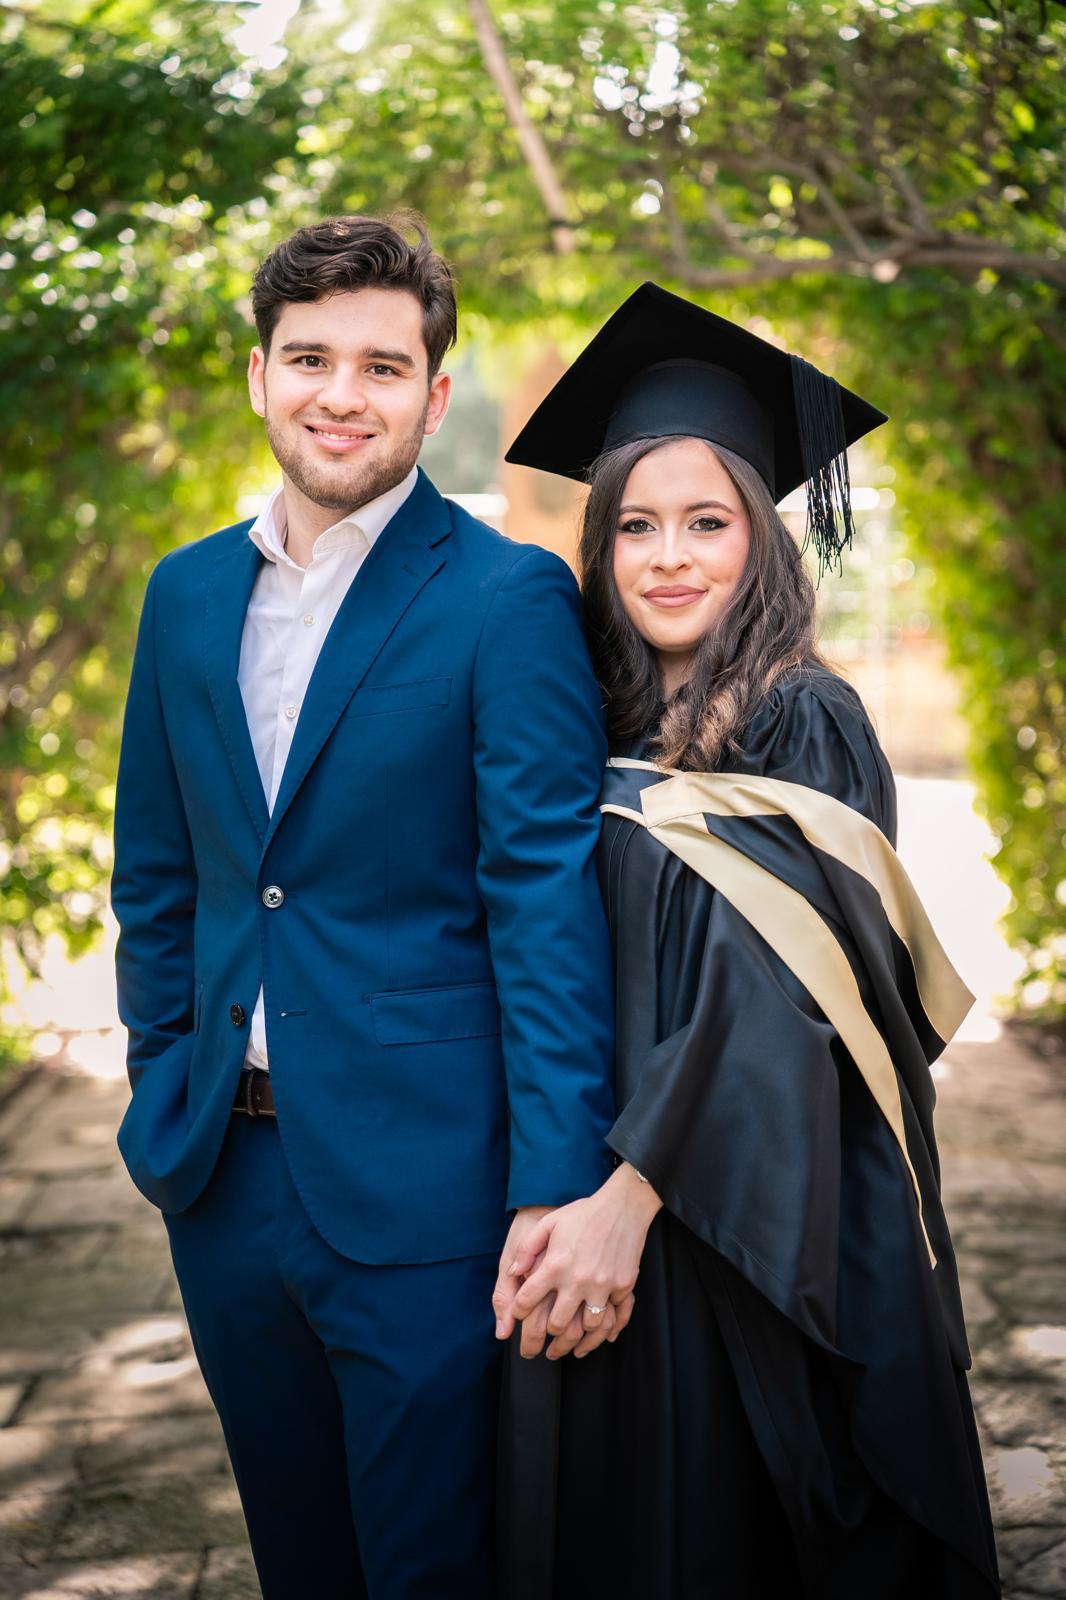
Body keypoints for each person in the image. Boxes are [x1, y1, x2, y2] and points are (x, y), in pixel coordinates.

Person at [110, 214, 617, 1600]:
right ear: (260, 376)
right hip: (223, 1174)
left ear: (433, 398)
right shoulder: (184, 595)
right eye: (311, 358)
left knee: (430, 1565)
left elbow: (541, 897)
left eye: (383, 367)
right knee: (298, 1560)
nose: (345, 394)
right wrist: (163, 1086)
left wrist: (553, 1180)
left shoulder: (506, 597)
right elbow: (160, 876)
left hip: (431, 1187)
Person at [498, 282, 1001, 1598]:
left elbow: (780, 996)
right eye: (636, 527)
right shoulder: (588, 731)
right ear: (599, 548)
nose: (669, 555)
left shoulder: (802, 723)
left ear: (761, 542)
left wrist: (629, 1197)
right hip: (601, 1194)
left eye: (706, 523)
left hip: (765, 1214)